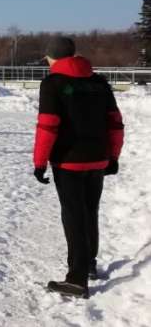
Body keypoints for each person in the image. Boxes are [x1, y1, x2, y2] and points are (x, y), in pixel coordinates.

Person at [33, 36, 125, 299]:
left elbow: (48, 125)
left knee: (73, 216)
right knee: (89, 211)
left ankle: (77, 278)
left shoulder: (52, 83)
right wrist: (113, 156)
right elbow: (115, 123)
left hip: (68, 160)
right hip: (98, 158)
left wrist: (40, 162)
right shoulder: (99, 82)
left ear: (53, 58)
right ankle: (90, 264)